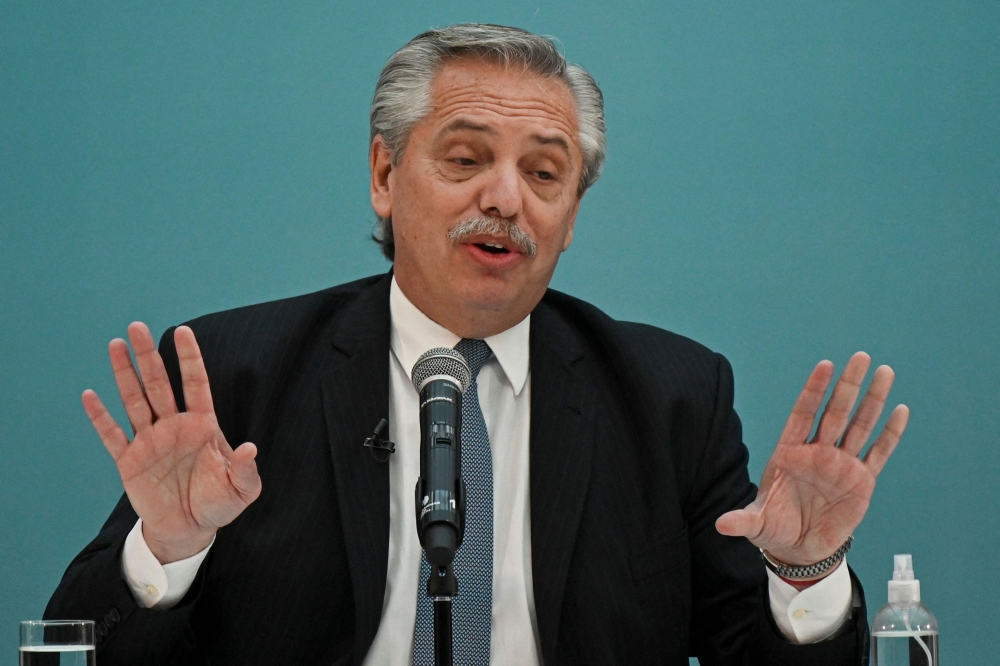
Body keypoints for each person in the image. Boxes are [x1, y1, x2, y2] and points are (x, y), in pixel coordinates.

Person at [45, 24, 909, 665]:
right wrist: (167, 550)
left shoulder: (672, 395)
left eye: (543, 173)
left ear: (571, 216)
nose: (505, 198)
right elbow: (75, 647)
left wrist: (805, 572)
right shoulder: (242, 373)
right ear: (385, 177)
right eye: (465, 159)